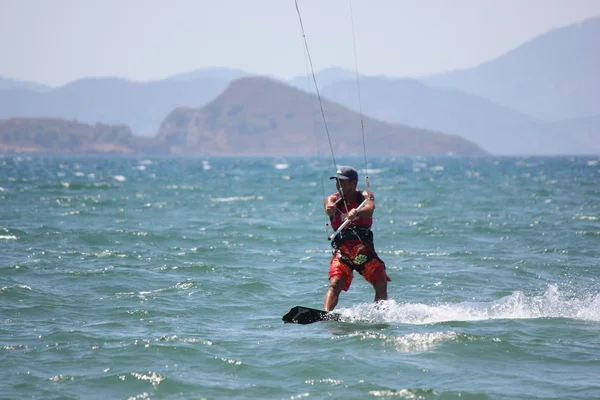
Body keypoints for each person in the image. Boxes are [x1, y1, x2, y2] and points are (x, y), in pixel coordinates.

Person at [323, 166, 390, 311]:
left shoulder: (365, 196)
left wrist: (357, 213)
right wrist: (329, 208)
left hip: (363, 251)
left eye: (342, 182)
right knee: (335, 283)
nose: (338, 185)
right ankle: (326, 313)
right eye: (337, 182)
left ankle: (380, 315)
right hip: (342, 252)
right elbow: (328, 204)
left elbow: (370, 209)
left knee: (381, 282)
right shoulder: (333, 198)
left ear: (352, 183)